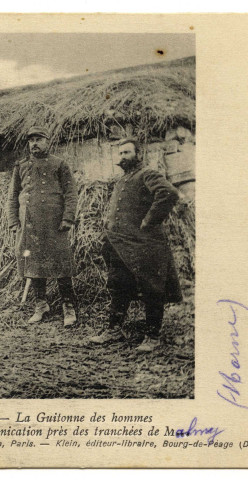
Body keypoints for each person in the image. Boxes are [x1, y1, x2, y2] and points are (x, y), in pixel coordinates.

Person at [88, 138, 182, 352]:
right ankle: (114, 329)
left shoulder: (147, 174)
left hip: (145, 244)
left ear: (138, 154)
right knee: (119, 286)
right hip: (121, 245)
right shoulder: (123, 181)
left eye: (127, 152)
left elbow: (169, 193)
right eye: (120, 153)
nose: (122, 157)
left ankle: (152, 335)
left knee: (152, 288)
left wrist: (149, 221)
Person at [7, 126, 79, 326]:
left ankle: (68, 307)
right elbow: (12, 197)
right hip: (29, 225)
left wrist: (68, 219)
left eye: (39, 139)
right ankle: (41, 305)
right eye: (31, 140)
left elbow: (71, 193)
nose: (34, 144)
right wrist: (14, 222)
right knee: (33, 265)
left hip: (54, 225)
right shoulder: (21, 166)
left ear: (48, 141)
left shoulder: (59, 164)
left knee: (62, 266)